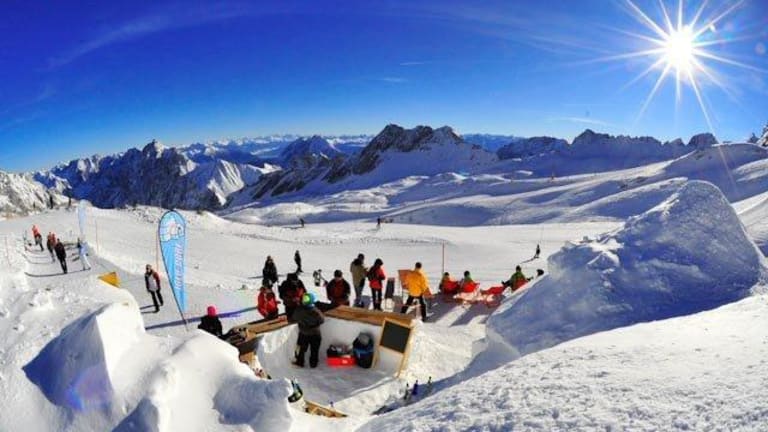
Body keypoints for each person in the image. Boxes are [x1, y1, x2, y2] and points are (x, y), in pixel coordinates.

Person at [290, 293, 324, 368]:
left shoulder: (299, 310)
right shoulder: (316, 311)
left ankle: (299, 362)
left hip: (303, 333)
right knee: (314, 350)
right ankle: (313, 364)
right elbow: (322, 320)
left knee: (300, 348)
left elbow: (294, 318)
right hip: (315, 333)